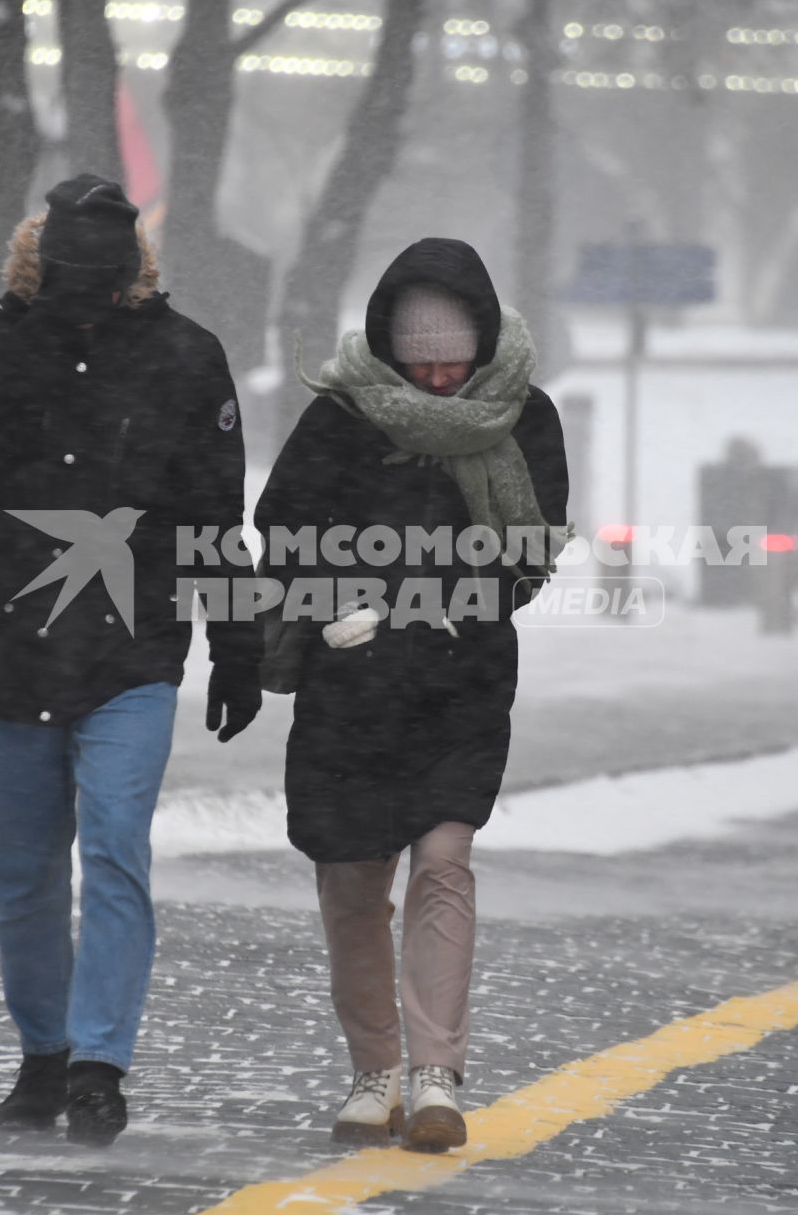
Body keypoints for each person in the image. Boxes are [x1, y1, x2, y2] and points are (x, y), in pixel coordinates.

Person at [0, 176, 262, 1144]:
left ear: (133, 268)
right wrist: (35, 332)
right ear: (41, 259)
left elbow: (211, 512)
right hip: (8, 638)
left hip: (131, 647)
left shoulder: (186, 355)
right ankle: (45, 1052)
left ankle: (99, 1064)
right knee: (23, 870)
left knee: (115, 849)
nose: (92, 290)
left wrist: (237, 643)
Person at [256, 238, 569, 1153]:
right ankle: (373, 1072)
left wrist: (459, 602)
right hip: (350, 689)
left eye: (453, 356)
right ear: (390, 349)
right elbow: (282, 529)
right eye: (421, 358)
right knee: (353, 880)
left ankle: (436, 1075)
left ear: (481, 343)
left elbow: (535, 546)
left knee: (443, 862)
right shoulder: (342, 419)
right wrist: (340, 601)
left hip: (460, 684)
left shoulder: (524, 416)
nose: (438, 376)